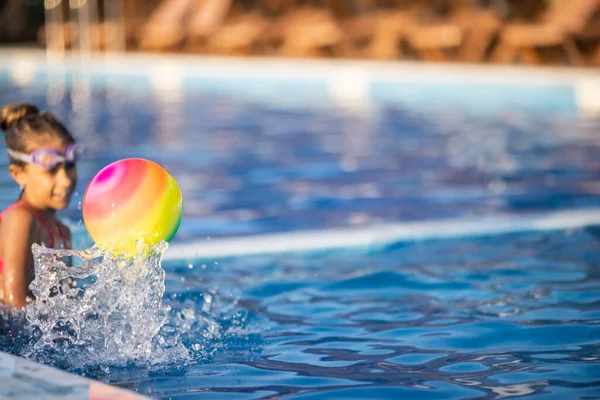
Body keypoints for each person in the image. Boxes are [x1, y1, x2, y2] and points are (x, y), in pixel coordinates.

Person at [0, 103, 77, 309]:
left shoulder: (64, 233)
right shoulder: (20, 219)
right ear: (18, 174)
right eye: (51, 170)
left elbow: (68, 300)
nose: (66, 180)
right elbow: (13, 304)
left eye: (70, 166)